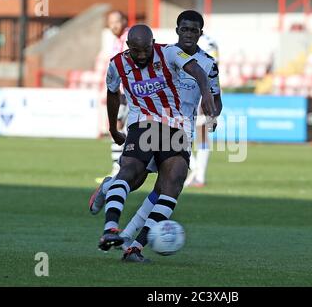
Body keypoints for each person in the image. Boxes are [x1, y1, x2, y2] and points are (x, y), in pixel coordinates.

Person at [90, 23, 216, 263]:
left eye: (146, 50)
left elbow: (197, 71)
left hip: (175, 125)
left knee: (174, 181)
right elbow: (112, 93)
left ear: (152, 43)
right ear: (128, 47)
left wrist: (207, 94)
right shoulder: (117, 64)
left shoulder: (168, 52)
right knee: (132, 175)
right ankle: (110, 230)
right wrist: (112, 128)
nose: (141, 55)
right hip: (143, 123)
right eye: (136, 51)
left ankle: (134, 248)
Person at [96, 11, 130, 183]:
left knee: (117, 126)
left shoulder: (128, 38)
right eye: (110, 22)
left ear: (124, 21)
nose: (113, 25)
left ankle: (119, 168)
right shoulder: (118, 41)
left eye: (116, 21)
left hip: (128, 91)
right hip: (121, 91)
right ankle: (120, 167)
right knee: (118, 126)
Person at [184, 33, 220, 188]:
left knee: (181, 133)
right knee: (201, 134)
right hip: (207, 89)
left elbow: (209, 68)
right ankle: (199, 175)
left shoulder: (199, 43)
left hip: (196, 91)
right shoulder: (210, 41)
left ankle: (197, 171)